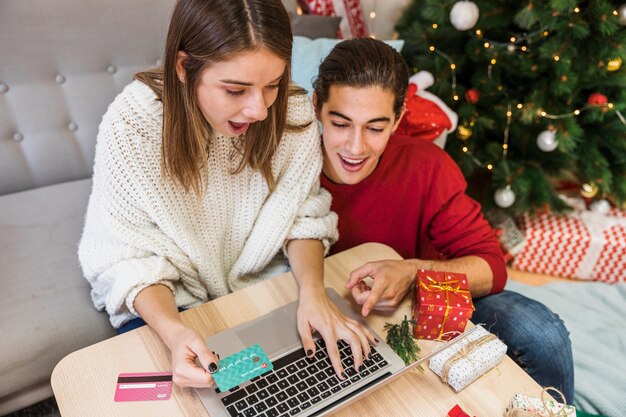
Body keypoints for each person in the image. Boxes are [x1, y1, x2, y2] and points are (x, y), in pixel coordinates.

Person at [78, 0, 374, 388]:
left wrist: (314, 294)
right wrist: (174, 332)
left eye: (272, 85)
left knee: (329, 386)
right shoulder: (132, 127)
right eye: (236, 90)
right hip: (170, 301)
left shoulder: (292, 111)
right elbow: (126, 259)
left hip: (269, 284)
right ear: (184, 68)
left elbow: (303, 215)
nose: (259, 111)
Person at [312, 38, 575, 402]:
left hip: (417, 310)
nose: (355, 148)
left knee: (541, 331)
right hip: (317, 310)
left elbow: (492, 266)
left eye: (375, 128)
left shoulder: (426, 166)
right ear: (317, 108)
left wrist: (413, 274)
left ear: (399, 118)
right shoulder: (290, 163)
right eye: (340, 123)